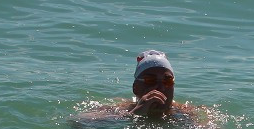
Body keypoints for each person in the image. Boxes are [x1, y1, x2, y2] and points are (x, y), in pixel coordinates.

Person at [75, 49, 205, 123]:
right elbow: (77, 122)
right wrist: (134, 115)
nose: (160, 87)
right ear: (136, 88)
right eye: (150, 80)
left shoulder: (187, 113)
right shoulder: (120, 110)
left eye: (167, 81)